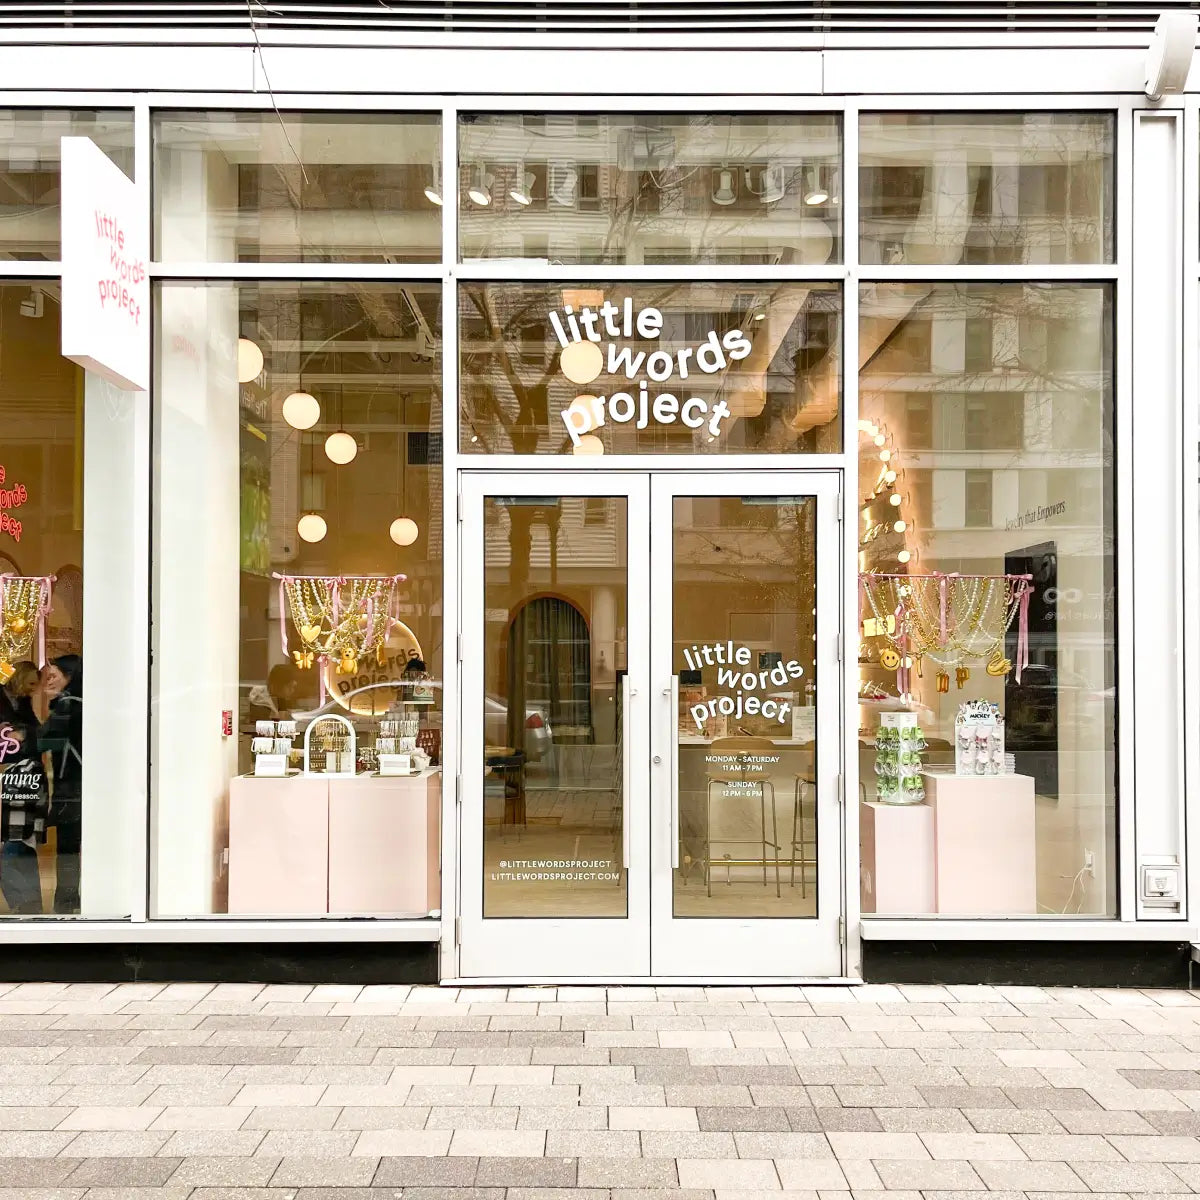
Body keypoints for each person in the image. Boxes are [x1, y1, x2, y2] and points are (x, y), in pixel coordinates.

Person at [0, 661, 47, 914]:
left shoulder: (20, 701)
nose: (33, 690)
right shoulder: (6, 699)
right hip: (11, 776)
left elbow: (35, 733)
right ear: (18, 678)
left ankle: (29, 905)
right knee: (15, 846)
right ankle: (26, 904)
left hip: (23, 778)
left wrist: (25, 734)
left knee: (22, 844)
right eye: (30, 684)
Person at [39, 655, 82, 914]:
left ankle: (65, 904)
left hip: (72, 789)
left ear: (70, 677)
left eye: (54, 676)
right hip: (81, 787)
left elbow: (42, 741)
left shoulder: (67, 707)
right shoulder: (79, 705)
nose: (48, 680)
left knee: (67, 848)